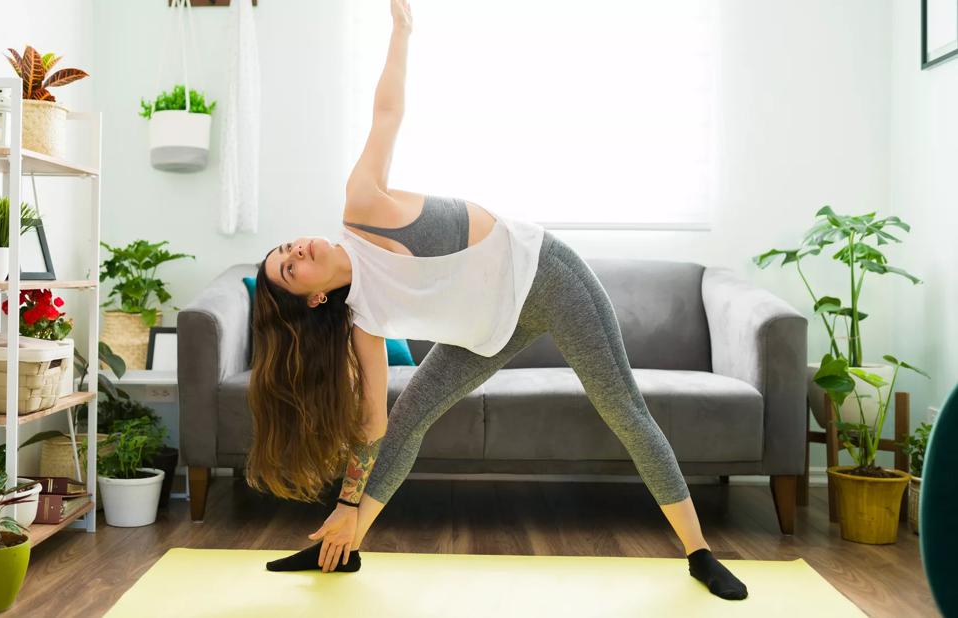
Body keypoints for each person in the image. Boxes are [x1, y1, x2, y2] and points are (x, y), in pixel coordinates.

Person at [246, 0, 747, 601]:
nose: (296, 252)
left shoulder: (363, 207)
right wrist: (348, 504)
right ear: (314, 296)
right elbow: (375, 422)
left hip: (550, 278)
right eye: (290, 269)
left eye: (286, 250)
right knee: (409, 419)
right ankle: (344, 545)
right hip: (490, 332)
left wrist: (401, 31)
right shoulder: (364, 320)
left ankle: (699, 554)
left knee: (623, 411)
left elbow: (387, 112)